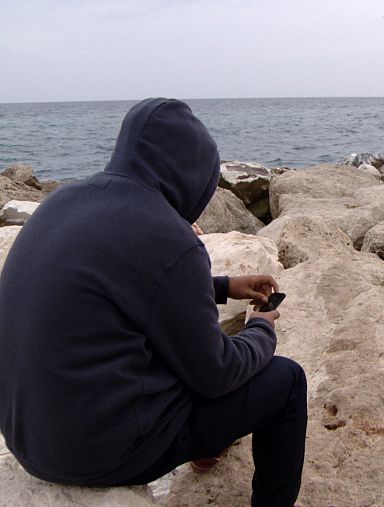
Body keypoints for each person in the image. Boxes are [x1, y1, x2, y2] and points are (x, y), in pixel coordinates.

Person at [0, 98, 307, 507]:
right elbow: (217, 372)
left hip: (28, 438)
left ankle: (204, 448)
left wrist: (222, 287)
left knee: (168, 343)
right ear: (193, 172)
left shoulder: (65, 202)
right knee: (285, 381)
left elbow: (124, 289)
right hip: (97, 455)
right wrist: (261, 329)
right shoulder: (167, 236)